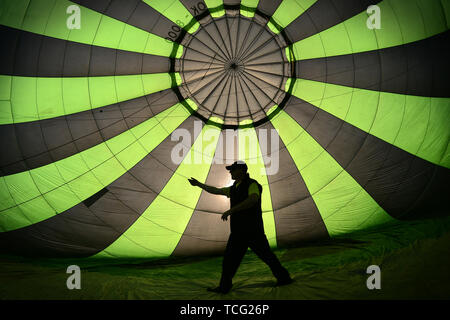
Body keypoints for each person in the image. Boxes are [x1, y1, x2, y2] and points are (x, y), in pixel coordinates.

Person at [188, 160, 293, 294]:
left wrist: (231, 211)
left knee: (267, 256)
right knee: (229, 260)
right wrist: (198, 184)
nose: (230, 172)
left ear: (241, 171)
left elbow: (253, 199)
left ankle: (284, 278)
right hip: (238, 232)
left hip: (253, 230)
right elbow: (216, 190)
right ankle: (224, 287)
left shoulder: (253, 184)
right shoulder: (233, 188)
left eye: (233, 170)